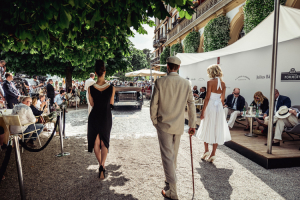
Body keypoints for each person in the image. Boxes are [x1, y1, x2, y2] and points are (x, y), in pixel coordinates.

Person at [150, 56, 196, 200]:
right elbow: (191, 105)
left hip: (163, 125)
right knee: (173, 156)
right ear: (178, 67)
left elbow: (153, 105)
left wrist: (154, 121)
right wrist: (193, 125)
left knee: (167, 157)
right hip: (179, 125)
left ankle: (173, 191)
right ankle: (170, 181)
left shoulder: (160, 82)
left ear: (168, 67)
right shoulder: (186, 83)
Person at [196, 64, 231, 163]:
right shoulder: (223, 84)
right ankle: (213, 153)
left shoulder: (210, 82)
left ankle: (206, 150)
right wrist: (219, 105)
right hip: (219, 108)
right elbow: (222, 99)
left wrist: (203, 111)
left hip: (211, 106)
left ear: (211, 72)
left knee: (207, 127)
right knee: (217, 129)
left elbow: (207, 98)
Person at [88, 60, 115, 179]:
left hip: (94, 116)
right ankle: (103, 165)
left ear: (95, 73)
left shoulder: (90, 88)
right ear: (104, 72)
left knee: (96, 142)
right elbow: (111, 103)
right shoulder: (111, 88)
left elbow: (92, 103)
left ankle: (100, 165)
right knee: (105, 142)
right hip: (106, 116)